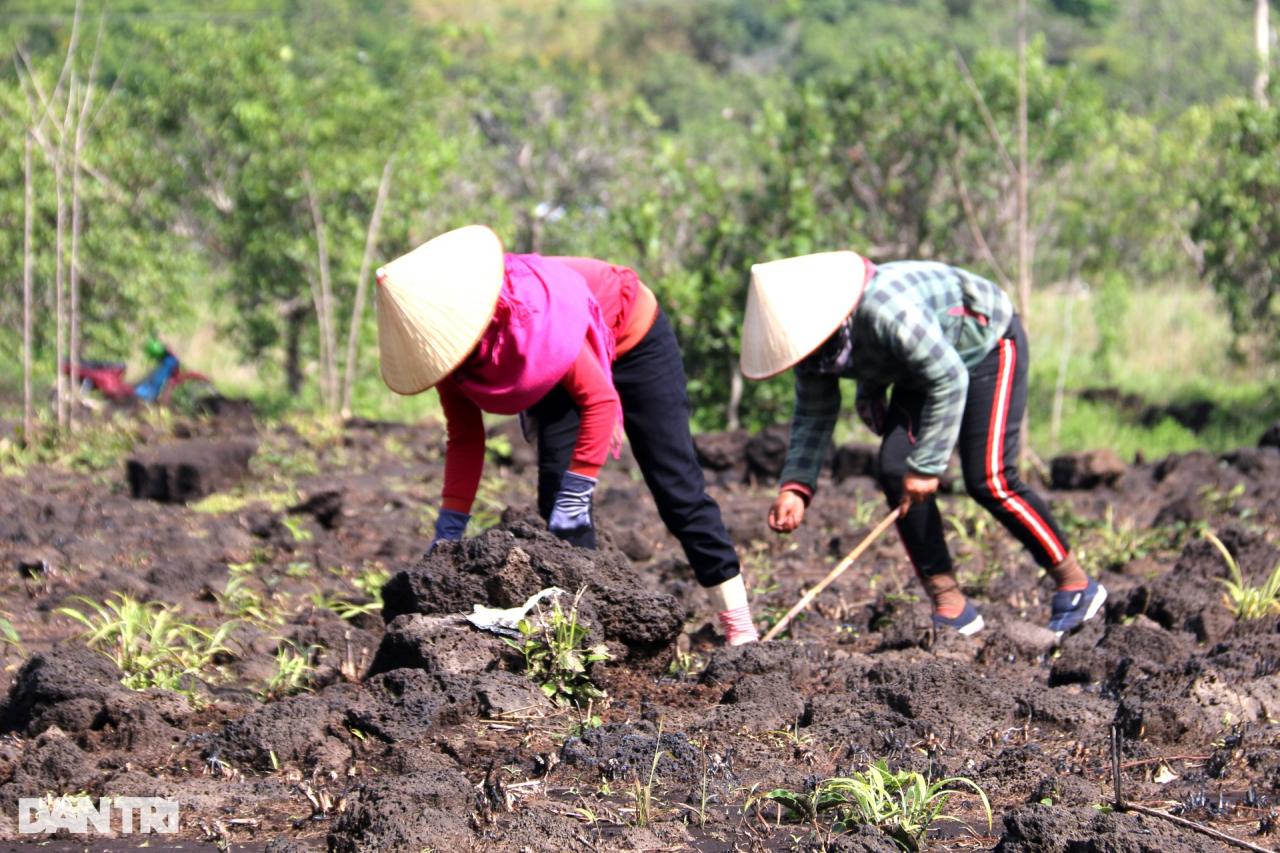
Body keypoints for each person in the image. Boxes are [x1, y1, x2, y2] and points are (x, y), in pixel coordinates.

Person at [375, 225, 759, 645]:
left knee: (675, 487)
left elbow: (599, 400)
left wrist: (580, 490)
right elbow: (466, 440)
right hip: (549, 366)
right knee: (556, 502)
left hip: (630, 333)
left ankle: (739, 627)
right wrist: (449, 530)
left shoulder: (534, 316)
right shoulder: (450, 354)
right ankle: (585, 636)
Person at [739, 251, 1106, 637]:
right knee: (896, 472)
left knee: (989, 478)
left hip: (986, 344)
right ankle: (953, 608)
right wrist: (796, 486)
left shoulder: (885, 312)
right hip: (922, 367)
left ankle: (1077, 585)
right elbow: (814, 416)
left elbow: (949, 378)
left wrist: (929, 465)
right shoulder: (813, 352)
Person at [133, 338, 179, 403]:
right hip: (168, 363)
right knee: (154, 380)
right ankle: (147, 395)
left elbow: (159, 380)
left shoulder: (169, 361)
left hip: (168, 365)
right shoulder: (168, 359)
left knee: (156, 381)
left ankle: (148, 396)